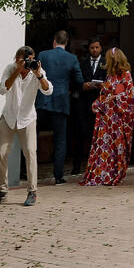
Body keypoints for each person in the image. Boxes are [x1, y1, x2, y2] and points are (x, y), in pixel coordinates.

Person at [0, 46, 52, 205]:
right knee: (0, 153)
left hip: (27, 118)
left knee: (31, 152)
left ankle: (32, 191)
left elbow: (48, 90)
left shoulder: (36, 70)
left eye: (30, 60)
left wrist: (39, 75)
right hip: (9, 116)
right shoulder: (10, 69)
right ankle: (2, 190)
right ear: (16, 59)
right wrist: (17, 70)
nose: (27, 63)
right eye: (23, 60)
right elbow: (2, 89)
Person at [80, 48, 134, 186]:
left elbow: (130, 95)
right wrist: (98, 103)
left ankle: (114, 173)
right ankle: (103, 174)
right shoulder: (110, 75)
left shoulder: (125, 74)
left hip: (117, 118)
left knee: (116, 147)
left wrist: (116, 97)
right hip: (106, 117)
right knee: (104, 146)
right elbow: (105, 93)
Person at [35, 31, 84, 184]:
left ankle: (29, 172)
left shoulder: (43, 55)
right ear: (66, 42)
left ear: (54, 41)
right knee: (60, 140)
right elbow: (79, 80)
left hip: (42, 100)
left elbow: (34, 74)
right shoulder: (72, 58)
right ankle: (58, 176)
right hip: (61, 101)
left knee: (32, 137)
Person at [73, 38, 109, 175]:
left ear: (101, 48)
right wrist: (83, 85)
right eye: (92, 47)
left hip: (99, 103)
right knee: (81, 135)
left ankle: (96, 166)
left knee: (97, 135)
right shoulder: (82, 63)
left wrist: (102, 86)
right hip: (84, 102)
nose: (94, 50)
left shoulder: (106, 63)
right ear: (89, 49)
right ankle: (77, 166)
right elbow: (76, 80)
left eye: (97, 47)